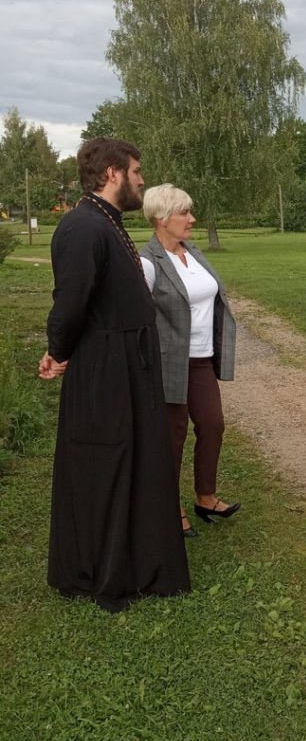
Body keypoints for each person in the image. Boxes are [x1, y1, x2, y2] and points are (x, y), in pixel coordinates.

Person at [39, 137, 190, 612]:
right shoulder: (82, 227)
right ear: (112, 174)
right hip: (104, 369)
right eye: (137, 171)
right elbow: (70, 303)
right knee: (105, 463)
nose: (142, 180)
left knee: (135, 461)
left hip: (127, 362)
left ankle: (136, 562)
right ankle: (100, 570)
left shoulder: (107, 222)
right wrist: (57, 350)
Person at [139, 184, 239, 538]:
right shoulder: (148, 263)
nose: (192, 218)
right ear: (162, 218)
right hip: (169, 364)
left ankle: (205, 496)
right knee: (173, 435)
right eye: (184, 213)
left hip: (201, 360)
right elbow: (136, 315)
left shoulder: (192, 251)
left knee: (212, 425)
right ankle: (169, 506)